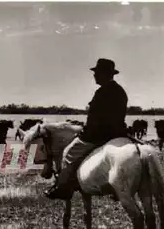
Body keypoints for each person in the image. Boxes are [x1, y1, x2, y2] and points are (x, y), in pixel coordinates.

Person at [45, 58, 128, 200]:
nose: (94, 75)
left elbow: (95, 120)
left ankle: (63, 188)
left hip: (98, 136)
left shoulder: (101, 92)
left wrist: (84, 132)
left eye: (97, 73)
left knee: (68, 153)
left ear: (105, 74)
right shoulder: (121, 91)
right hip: (118, 135)